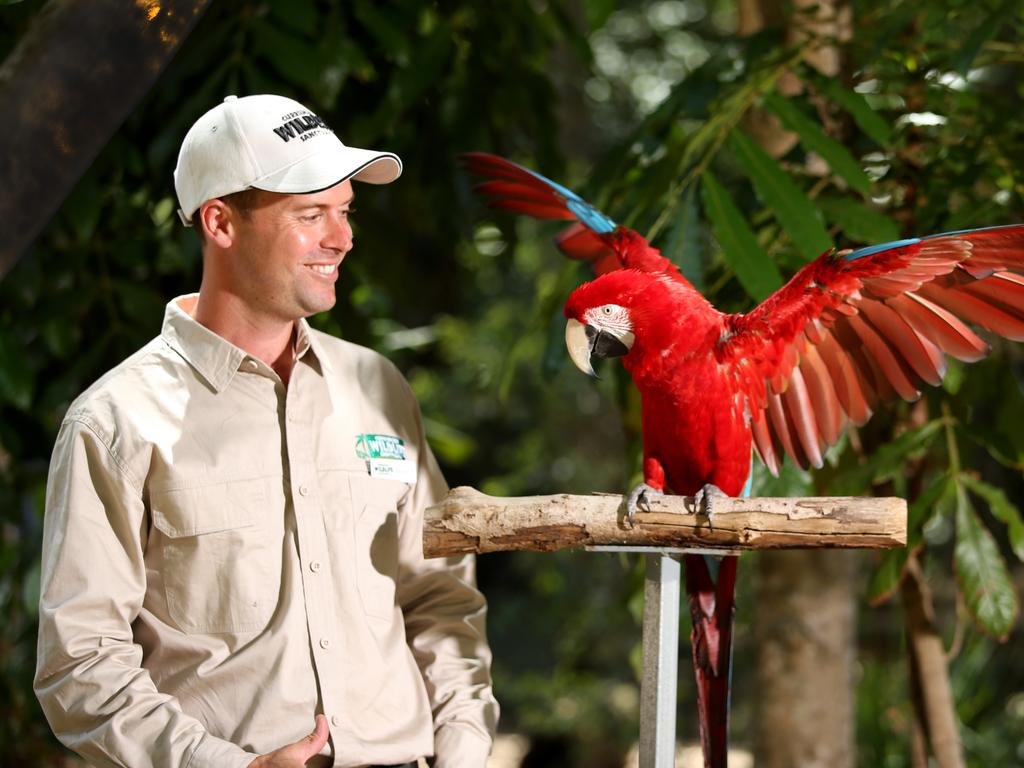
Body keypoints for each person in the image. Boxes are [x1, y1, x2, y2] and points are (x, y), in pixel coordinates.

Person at [34, 94, 498, 768]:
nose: (341, 238)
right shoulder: (115, 421)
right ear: (220, 223)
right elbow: (80, 664)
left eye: (343, 211)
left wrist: (462, 747)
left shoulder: (379, 389)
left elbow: (440, 597)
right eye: (310, 215)